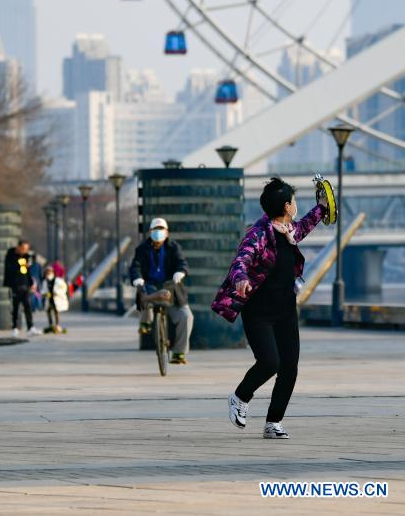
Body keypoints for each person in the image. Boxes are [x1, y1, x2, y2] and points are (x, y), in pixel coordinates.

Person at [212, 176, 328, 440]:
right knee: (269, 362)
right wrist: (240, 279)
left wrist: (322, 206)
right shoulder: (258, 233)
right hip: (259, 311)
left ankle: (273, 422)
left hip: (286, 309)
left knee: (290, 366)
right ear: (287, 206)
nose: (296, 206)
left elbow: (305, 226)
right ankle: (239, 397)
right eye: (295, 201)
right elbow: (241, 260)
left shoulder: (288, 231)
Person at [129, 217, 194, 365]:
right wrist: (137, 278)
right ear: (150, 232)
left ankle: (179, 353)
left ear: (167, 232)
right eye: (155, 230)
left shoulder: (174, 247)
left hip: (170, 288)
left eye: (161, 230)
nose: (158, 233)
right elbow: (135, 267)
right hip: (150, 285)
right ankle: (146, 322)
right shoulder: (142, 249)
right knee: (143, 292)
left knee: (186, 316)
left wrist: (180, 272)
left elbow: (182, 263)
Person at [3, 239, 41, 337]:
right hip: (15, 285)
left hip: (25, 285)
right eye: (24, 249)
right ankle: (15, 328)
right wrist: (19, 263)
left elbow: (26, 271)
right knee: (15, 307)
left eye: (26, 249)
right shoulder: (10, 256)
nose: (25, 251)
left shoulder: (24, 257)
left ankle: (30, 327)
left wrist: (31, 283)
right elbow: (10, 269)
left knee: (28, 306)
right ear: (18, 247)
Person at [42, 264, 69, 333]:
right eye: (47, 272)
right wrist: (45, 294)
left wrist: (56, 292)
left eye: (49, 272)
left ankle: (57, 325)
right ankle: (51, 325)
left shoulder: (58, 280)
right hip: (49, 299)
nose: (48, 274)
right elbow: (43, 290)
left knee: (56, 311)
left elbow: (64, 288)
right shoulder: (45, 281)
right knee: (48, 311)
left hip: (56, 299)